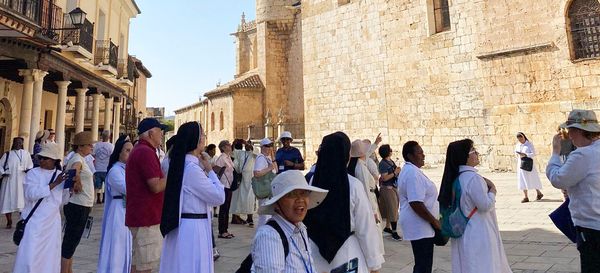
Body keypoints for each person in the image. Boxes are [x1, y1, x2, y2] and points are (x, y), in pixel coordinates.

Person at [304, 132, 385, 273]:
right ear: (346, 156)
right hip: (348, 255)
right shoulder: (353, 185)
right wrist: (374, 264)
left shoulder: (313, 182)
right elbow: (365, 228)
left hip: (317, 256)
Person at [159, 122, 225, 273]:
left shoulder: (183, 165)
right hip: (193, 229)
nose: (204, 137)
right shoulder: (192, 171)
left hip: (190, 224)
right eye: (202, 134)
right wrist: (210, 170)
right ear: (195, 140)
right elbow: (219, 197)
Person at [438, 139, 512, 273]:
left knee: (468, 265)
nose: (476, 153)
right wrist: (493, 191)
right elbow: (485, 205)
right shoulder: (473, 179)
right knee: (483, 265)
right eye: (473, 151)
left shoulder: (457, 178)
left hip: (464, 231)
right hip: (478, 232)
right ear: (465, 157)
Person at [546, 109, 600, 273]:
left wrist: (555, 152)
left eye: (570, 131)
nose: (569, 135)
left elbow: (557, 178)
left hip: (592, 228)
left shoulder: (582, 155)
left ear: (578, 131)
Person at [251, 170, 328, 272]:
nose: (300, 199)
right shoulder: (269, 236)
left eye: (304, 193)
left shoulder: (300, 228)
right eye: (292, 194)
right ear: (277, 204)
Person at [13, 143, 67, 273]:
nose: (41, 160)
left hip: (51, 222)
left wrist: (73, 187)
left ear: (54, 160)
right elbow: (31, 194)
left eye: (45, 158)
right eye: (40, 158)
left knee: (49, 257)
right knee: (29, 256)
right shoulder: (33, 173)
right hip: (35, 221)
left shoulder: (61, 175)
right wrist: (54, 184)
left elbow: (63, 200)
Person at [126, 118, 168, 273]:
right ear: (151, 133)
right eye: (160, 131)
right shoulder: (145, 152)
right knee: (146, 266)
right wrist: (172, 177)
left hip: (142, 216)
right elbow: (155, 186)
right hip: (147, 218)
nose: (162, 135)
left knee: (139, 265)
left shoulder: (141, 150)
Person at [397, 141, 440, 273]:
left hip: (420, 225)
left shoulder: (411, 171)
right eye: (419, 152)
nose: (423, 155)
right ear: (410, 156)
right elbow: (415, 202)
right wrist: (434, 221)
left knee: (423, 263)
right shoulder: (412, 174)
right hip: (420, 225)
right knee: (423, 265)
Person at [97, 135, 133, 273]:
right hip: (118, 210)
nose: (130, 154)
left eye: (132, 151)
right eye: (127, 151)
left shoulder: (127, 170)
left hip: (127, 210)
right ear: (119, 152)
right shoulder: (114, 171)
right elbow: (127, 188)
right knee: (117, 245)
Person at [61, 131, 96, 273]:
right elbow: (74, 170)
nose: (91, 148)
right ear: (80, 147)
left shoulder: (80, 158)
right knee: (70, 243)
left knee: (72, 242)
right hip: (78, 205)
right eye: (89, 145)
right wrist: (78, 182)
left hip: (81, 205)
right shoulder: (77, 158)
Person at [0, 137, 33, 228]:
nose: (18, 144)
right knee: (7, 201)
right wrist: (3, 173)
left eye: (20, 143)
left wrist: (28, 170)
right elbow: (0, 165)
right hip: (9, 181)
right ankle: (9, 221)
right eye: (16, 143)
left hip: (21, 181)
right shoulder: (7, 154)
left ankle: (23, 220)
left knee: (22, 202)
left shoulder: (26, 154)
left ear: (22, 144)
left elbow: (30, 165)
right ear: (13, 143)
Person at [348, 140, 381, 225]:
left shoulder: (355, 164)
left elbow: (368, 153)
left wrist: (376, 143)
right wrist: (373, 211)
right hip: (369, 200)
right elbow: (366, 188)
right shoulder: (361, 168)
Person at [378, 144, 402, 240]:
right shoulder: (383, 164)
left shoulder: (390, 161)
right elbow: (384, 177)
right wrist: (395, 173)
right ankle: (394, 231)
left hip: (393, 187)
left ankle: (388, 227)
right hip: (387, 188)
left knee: (392, 208)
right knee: (392, 209)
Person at [231, 140, 257, 227]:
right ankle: (236, 216)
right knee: (240, 198)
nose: (247, 146)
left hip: (251, 179)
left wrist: (250, 147)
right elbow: (232, 152)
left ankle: (250, 218)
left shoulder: (254, 153)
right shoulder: (241, 153)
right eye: (246, 145)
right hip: (242, 178)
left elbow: (257, 154)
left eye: (249, 144)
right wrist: (235, 142)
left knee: (250, 198)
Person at [253, 138, 278, 227]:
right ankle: (261, 235)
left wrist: (273, 156)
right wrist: (269, 168)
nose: (270, 148)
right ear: (262, 147)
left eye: (271, 146)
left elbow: (276, 170)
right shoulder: (260, 158)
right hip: (264, 189)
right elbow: (256, 173)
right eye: (267, 146)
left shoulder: (267, 158)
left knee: (268, 215)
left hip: (269, 190)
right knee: (264, 216)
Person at [515, 132, 544, 203]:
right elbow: (515, 153)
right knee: (522, 179)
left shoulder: (529, 144)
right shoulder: (518, 145)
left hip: (528, 164)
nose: (520, 140)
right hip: (521, 164)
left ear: (524, 137)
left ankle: (538, 192)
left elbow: (533, 153)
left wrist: (526, 155)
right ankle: (526, 197)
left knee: (532, 178)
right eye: (519, 139)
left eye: (521, 138)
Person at [215, 140, 235, 238]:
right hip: (223, 185)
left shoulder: (228, 158)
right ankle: (221, 231)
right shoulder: (221, 158)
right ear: (223, 147)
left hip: (229, 185)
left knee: (227, 208)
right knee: (223, 208)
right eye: (228, 145)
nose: (230, 146)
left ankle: (225, 229)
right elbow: (217, 172)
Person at [93, 130, 114, 204]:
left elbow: (93, 155)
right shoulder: (111, 146)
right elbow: (112, 157)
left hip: (97, 168)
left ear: (102, 136)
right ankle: (104, 198)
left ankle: (98, 198)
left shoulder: (97, 145)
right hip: (106, 168)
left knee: (98, 185)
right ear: (108, 137)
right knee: (106, 185)